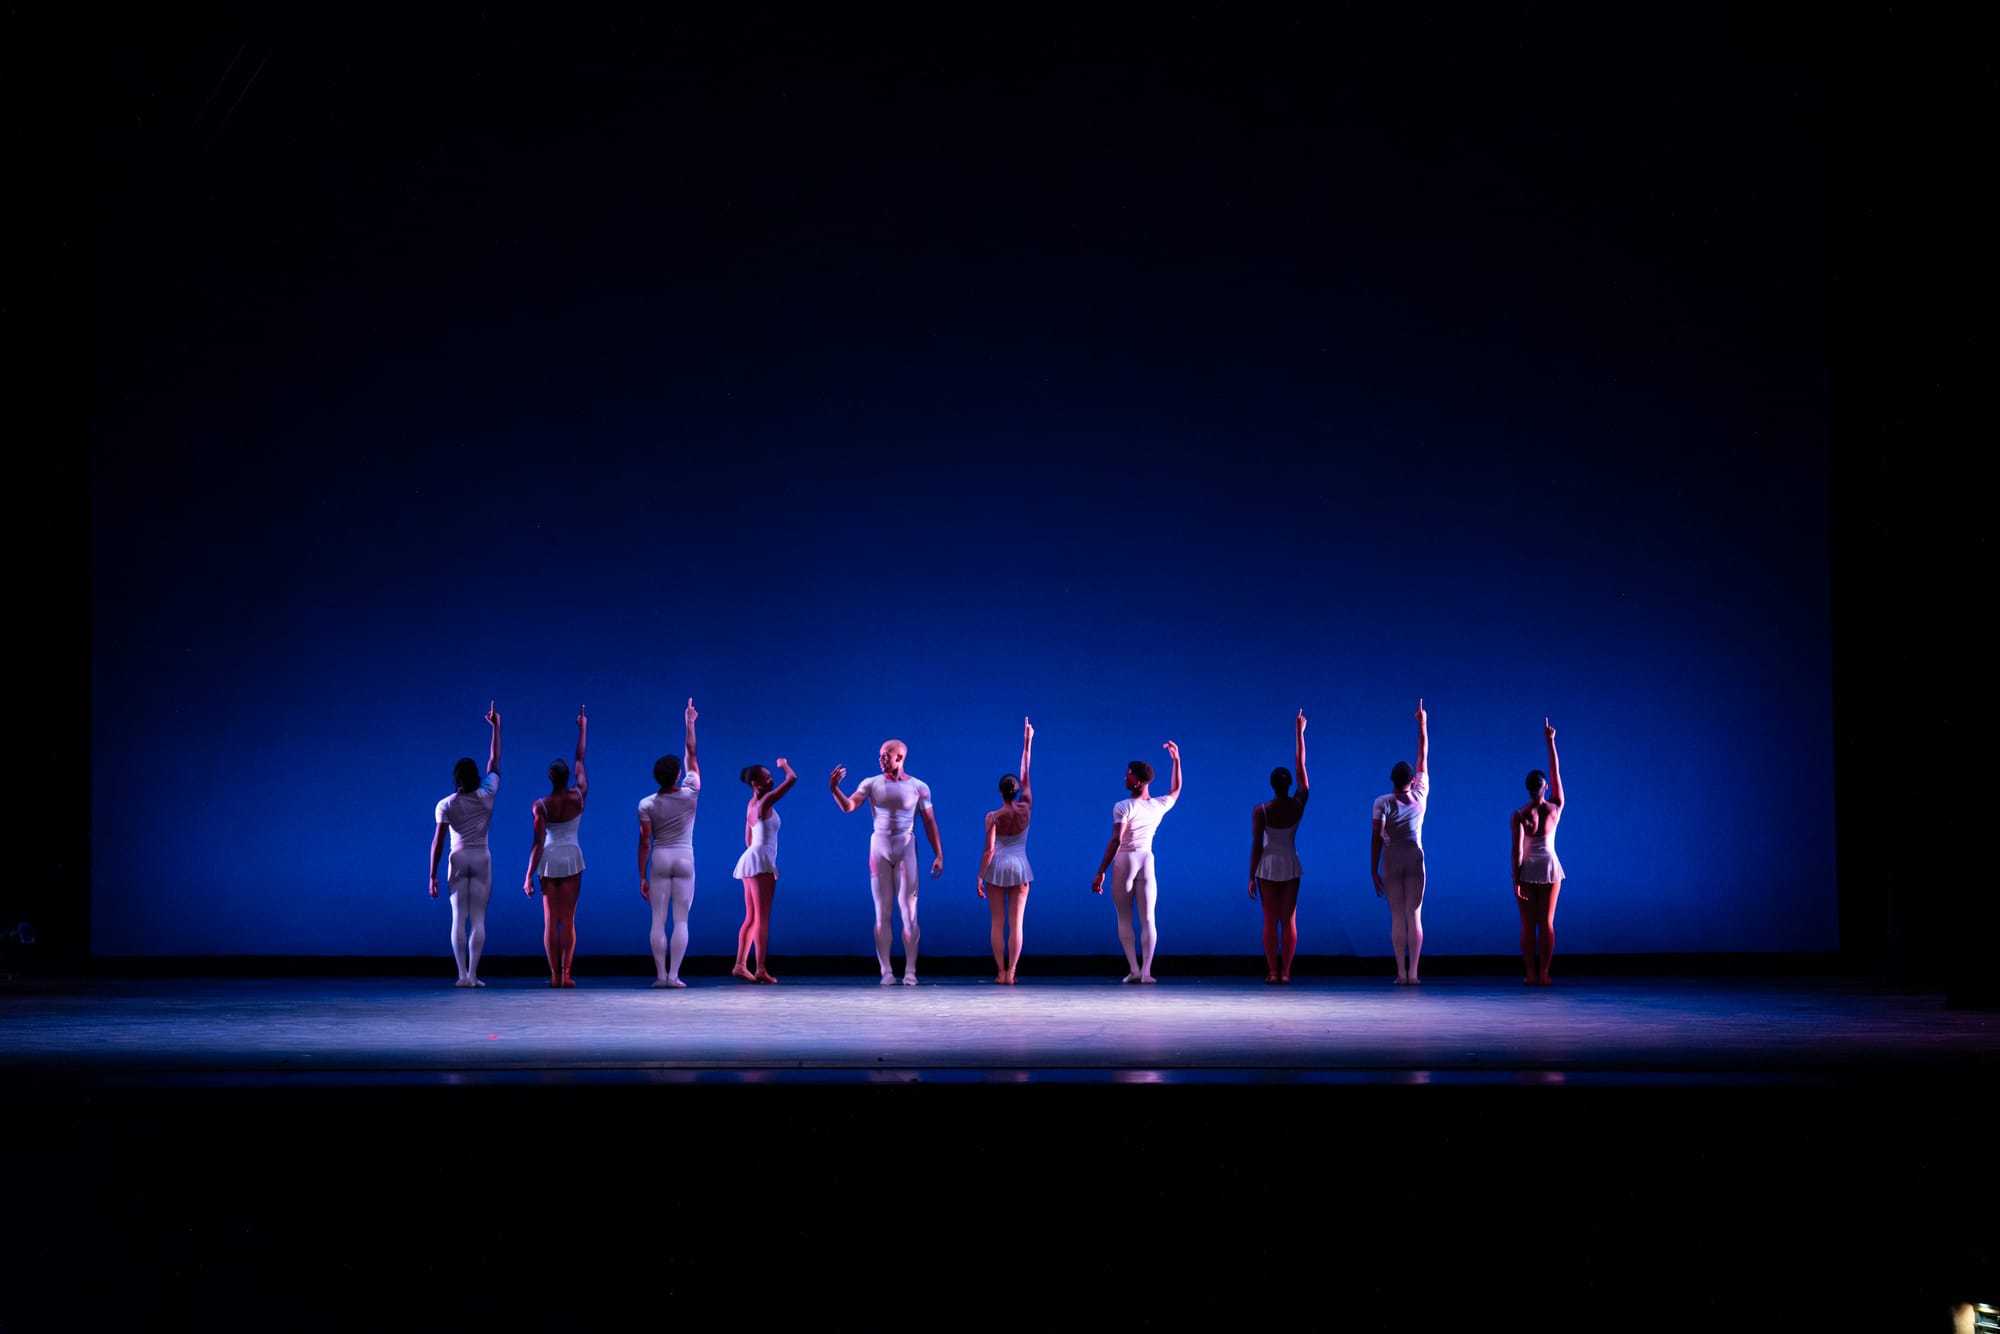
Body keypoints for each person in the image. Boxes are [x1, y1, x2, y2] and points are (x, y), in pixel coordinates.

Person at [830, 739, 943, 985]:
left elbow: (929, 822)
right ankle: (886, 971)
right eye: (880, 755)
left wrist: (939, 854)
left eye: (886, 756)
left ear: (900, 758)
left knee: (909, 912)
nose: (881, 759)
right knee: (882, 912)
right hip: (879, 848)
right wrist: (835, 789)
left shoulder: (919, 787)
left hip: (905, 847)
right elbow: (849, 806)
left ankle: (911, 971)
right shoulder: (870, 784)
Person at [1091, 740, 1183, 983]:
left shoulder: (1123, 807)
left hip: (1125, 860)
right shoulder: (1158, 806)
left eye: (1129, 775)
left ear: (1140, 781)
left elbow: (1115, 841)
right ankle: (1146, 972)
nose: (1125, 778)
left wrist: (1101, 871)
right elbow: (1175, 791)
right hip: (1147, 860)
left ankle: (1134, 968)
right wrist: (1176, 760)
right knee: (1148, 918)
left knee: (1124, 917)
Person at [428, 702, 502, 987]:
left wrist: (433, 875)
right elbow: (494, 763)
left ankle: (461, 976)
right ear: (475, 778)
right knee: (479, 919)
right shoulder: (487, 794)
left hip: (457, 859)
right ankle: (473, 974)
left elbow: (438, 843)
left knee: (458, 918)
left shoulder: (445, 804)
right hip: (481, 857)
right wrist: (496, 726)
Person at [523, 707, 588, 987]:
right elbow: (580, 760)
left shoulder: (540, 806)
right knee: (568, 919)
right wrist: (582, 728)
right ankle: (566, 973)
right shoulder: (579, 796)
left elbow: (537, 843)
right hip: (572, 857)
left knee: (551, 921)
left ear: (550, 777)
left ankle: (553, 975)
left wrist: (528, 875)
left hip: (549, 859)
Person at [638, 699, 701, 988]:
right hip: (684, 858)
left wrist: (641, 875)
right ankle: (674, 975)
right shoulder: (691, 792)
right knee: (681, 920)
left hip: (661, 858)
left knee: (657, 920)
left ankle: (660, 976)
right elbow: (691, 752)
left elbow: (645, 841)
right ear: (678, 775)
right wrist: (689, 721)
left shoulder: (647, 804)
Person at [1370, 699, 1429, 985]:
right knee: (1413, 914)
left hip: (1392, 857)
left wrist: (1373, 869)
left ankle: (1401, 973)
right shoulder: (1420, 795)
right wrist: (1422, 724)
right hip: (1414, 856)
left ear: (1392, 779)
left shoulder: (1382, 803)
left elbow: (1375, 837)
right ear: (1412, 779)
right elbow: (1423, 757)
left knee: (1397, 916)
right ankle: (1414, 973)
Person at [1249, 711, 1310, 983]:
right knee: (1289, 921)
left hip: (1268, 866)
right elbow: (1301, 771)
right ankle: (1285, 972)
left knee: (1269, 920)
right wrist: (1299, 734)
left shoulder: (1261, 810)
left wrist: (1251, 876)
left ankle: (1273, 972)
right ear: (1288, 786)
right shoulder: (1298, 804)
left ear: (1272, 785)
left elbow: (1256, 845)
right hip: (1290, 864)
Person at [976, 717, 1036, 984]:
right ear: (1016, 791)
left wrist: (980, 876)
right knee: (1017, 924)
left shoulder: (993, 816)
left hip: (998, 866)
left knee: (997, 924)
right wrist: (1027, 742)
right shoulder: (1026, 808)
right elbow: (1026, 774)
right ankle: (1013, 973)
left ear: (999, 792)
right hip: (1021, 866)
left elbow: (989, 849)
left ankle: (1000, 971)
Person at [731, 757, 798, 983]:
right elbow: (792, 779)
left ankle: (741, 964)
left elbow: (748, 838)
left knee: (751, 916)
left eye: (771, 777)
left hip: (752, 858)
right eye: (767, 778)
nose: (771, 781)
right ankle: (760, 968)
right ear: (755, 784)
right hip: (760, 862)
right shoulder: (766, 801)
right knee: (762, 918)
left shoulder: (751, 805)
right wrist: (784, 764)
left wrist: (759, 851)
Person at [1512, 718, 1567, 985]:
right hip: (1549, 868)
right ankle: (1544, 973)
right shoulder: (1554, 808)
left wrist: (1515, 881)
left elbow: (1516, 852)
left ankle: (1531, 973)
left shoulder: (1521, 815)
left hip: (1528, 869)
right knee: (1546, 923)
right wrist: (1550, 741)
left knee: (1528, 924)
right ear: (1544, 788)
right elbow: (1556, 776)